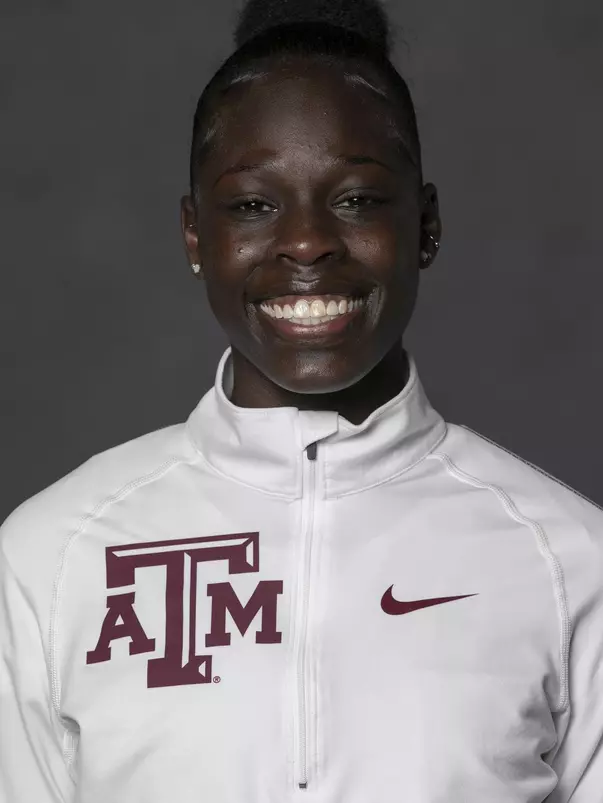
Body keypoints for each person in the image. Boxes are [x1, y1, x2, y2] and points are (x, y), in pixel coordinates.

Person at [1, 0, 602, 800]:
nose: (308, 240)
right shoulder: (53, 554)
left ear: (424, 224)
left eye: (356, 198)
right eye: (253, 205)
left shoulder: (567, 558)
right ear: (193, 235)